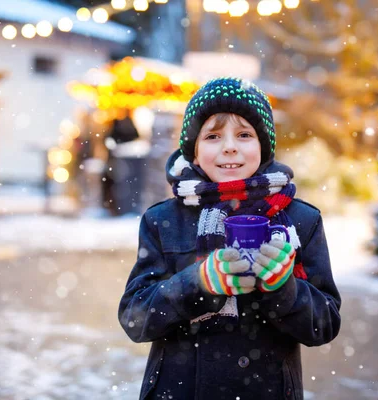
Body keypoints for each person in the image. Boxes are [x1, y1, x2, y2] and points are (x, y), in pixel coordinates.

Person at [118, 77, 341, 400]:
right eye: (212, 136)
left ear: (263, 146)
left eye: (244, 134)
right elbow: (135, 319)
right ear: (193, 152)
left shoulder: (301, 221)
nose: (229, 146)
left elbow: (324, 324)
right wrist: (198, 282)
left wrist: (284, 288)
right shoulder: (163, 220)